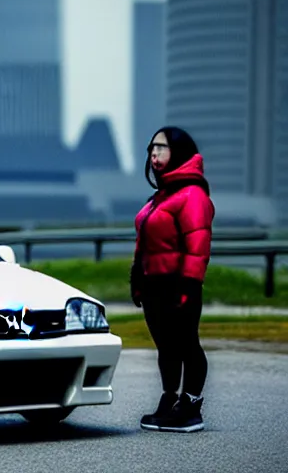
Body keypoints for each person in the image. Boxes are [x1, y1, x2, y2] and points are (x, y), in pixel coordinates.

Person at [129, 126, 214, 433]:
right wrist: (138, 277)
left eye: (161, 148)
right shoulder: (161, 196)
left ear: (178, 152)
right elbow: (145, 242)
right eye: (151, 148)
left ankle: (191, 407)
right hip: (154, 284)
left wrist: (190, 285)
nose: (154, 153)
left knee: (187, 343)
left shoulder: (192, 195)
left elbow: (197, 245)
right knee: (166, 346)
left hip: (178, 284)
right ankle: (169, 400)